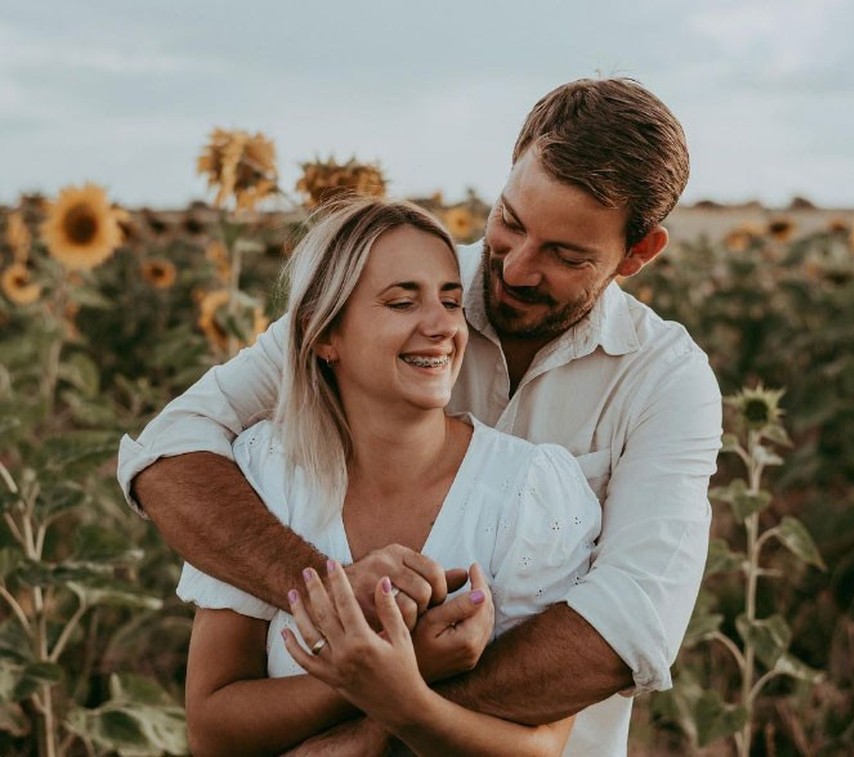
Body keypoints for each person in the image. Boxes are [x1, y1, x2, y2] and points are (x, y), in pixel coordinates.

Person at [118, 77, 723, 755]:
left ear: (638, 254)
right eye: (511, 221)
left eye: (564, 254)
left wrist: (372, 731)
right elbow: (169, 451)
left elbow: (622, 629)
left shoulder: (664, 380)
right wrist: (325, 592)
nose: (516, 268)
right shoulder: (381, 289)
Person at [177, 197, 600, 754]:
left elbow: (542, 746)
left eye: (451, 301)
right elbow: (213, 728)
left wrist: (397, 699)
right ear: (324, 335)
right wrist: (403, 666)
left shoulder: (531, 489)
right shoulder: (263, 473)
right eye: (403, 302)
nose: (441, 326)